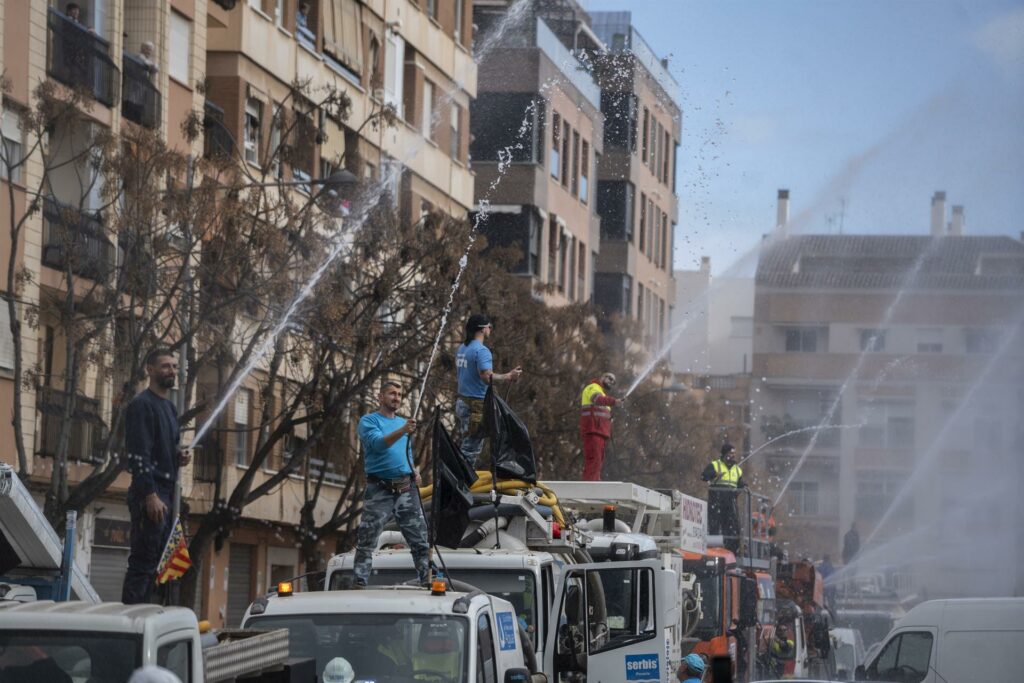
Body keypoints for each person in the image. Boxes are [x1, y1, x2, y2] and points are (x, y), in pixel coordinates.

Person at [121, 348, 191, 605]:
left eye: (174, 366)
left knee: (164, 564)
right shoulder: (141, 405)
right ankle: (132, 618)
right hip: (151, 495)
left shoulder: (170, 408)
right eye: (165, 366)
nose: (172, 371)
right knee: (144, 563)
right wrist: (150, 495)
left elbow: (164, 448)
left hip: (168, 495)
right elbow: (139, 455)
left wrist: (178, 456)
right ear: (150, 370)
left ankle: (155, 613)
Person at [352, 381, 430, 586]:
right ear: (380, 397)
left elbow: (407, 452)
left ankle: (427, 579)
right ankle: (360, 581)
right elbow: (378, 444)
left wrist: (413, 470)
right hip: (380, 488)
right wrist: (403, 430)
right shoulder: (369, 421)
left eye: (399, 394)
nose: (396, 398)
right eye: (392, 393)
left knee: (420, 539)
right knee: (368, 538)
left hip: (406, 488)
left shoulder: (403, 423)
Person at [454, 314, 521, 468]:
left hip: (462, 402)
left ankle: (461, 474)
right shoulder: (481, 351)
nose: (490, 329)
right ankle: (463, 477)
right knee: (471, 448)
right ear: (482, 329)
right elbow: (486, 376)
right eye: (489, 327)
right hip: (475, 405)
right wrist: (508, 376)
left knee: (466, 442)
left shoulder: (462, 348)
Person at [701, 443, 745, 552]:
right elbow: (704, 476)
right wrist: (715, 474)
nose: (733, 456)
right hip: (716, 502)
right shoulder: (715, 465)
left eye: (734, 453)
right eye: (730, 453)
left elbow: (740, 483)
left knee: (732, 528)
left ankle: (731, 551)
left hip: (730, 504)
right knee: (714, 526)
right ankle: (713, 550)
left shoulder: (737, 469)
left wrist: (744, 486)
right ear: (724, 454)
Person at [579, 372, 620, 481]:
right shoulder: (593, 387)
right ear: (602, 377)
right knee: (594, 460)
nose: (611, 382)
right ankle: (590, 486)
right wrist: (614, 401)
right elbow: (597, 399)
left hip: (599, 432)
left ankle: (594, 482)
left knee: (597, 461)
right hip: (593, 430)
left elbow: (600, 410)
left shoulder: (602, 394)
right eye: (610, 378)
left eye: (613, 382)